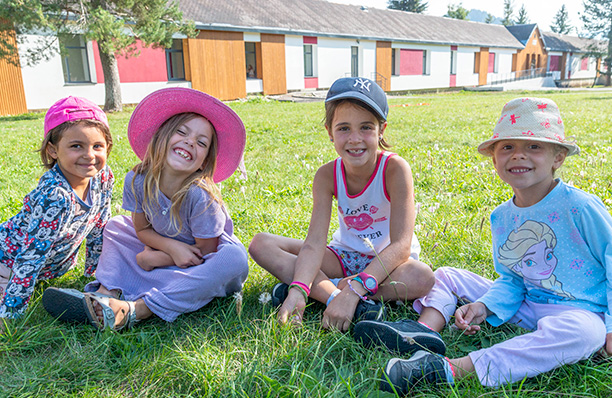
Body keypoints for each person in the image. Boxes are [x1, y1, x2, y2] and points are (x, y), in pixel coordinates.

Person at [354, 97, 612, 392]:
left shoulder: (579, 206)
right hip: (529, 303)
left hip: (582, 311)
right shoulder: (502, 216)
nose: (518, 156)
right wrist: (484, 306)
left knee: (584, 334)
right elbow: (513, 279)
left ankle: (450, 369)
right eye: (507, 147)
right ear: (494, 159)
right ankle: (423, 330)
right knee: (448, 274)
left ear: (558, 158)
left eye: (533, 146)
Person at [42, 87, 249, 330]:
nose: (189, 142)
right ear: (162, 137)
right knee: (117, 225)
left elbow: (205, 251)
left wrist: (154, 259)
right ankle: (105, 294)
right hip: (163, 251)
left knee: (234, 258)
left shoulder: (201, 196)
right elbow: (141, 229)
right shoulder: (137, 180)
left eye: (201, 143)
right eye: (181, 132)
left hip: (200, 264)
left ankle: (137, 309)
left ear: (204, 161)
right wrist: (168, 249)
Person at [249, 77, 435, 332]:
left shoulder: (395, 169)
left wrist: (355, 288)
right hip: (343, 255)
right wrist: (298, 290)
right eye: (344, 128)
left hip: (390, 265)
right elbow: (314, 243)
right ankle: (332, 298)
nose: (355, 139)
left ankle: (331, 292)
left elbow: (401, 246)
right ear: (329, 132)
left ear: (382, 130)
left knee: (422, 277)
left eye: (366, 127)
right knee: (262, 244)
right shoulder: (326, 176)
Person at [0, 96, 113, 323]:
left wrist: (93, 275)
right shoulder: (55, 196)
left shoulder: (103, 177)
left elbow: (99, 227)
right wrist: (11, 314)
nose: (89, 155)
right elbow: (30, 257)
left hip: (46, 268)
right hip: (7, 261)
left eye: (97, 146)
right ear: (53, 150)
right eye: (76, 146)